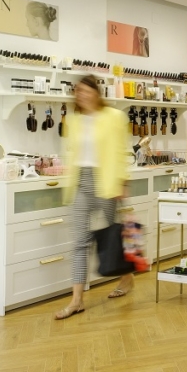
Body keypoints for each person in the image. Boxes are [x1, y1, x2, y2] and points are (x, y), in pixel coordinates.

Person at [55, 74, 132, 320]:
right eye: (78, 91)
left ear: (96, 93)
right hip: (81, 183)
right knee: (80, 242)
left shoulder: (114, 117)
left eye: (86, 91)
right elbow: (71, 152)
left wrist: (122, 182)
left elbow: (121, 152)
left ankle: (126, 276)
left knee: (113, 236)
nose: (82, 95)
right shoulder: (74, 120)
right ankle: (76, 300)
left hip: (105, 182)